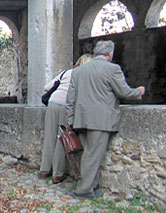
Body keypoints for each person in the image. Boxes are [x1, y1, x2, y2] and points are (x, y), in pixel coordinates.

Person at [66, 40, 145, 199]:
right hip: (101, 120)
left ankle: (93, 187)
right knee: (93, 156)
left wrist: (70, 119)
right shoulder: (112, 69)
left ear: (95, 53)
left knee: (89, 154)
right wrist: (138, 91)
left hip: (81, 119)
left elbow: (70, 99)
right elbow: (124, 92)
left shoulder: (78, 71)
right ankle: (84, 190)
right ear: (110, 54)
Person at [39, 53, 94, 183]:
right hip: (66, 105)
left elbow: (47, 87)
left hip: (53, 102)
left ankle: (45, 169)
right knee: (62, 138)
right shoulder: (86, 75)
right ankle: (57, 173)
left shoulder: (67, 72)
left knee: (49, 136)